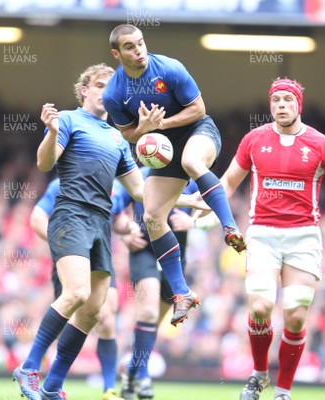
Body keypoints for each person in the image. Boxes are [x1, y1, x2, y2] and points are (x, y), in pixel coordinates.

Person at [12, 63, 205, 400]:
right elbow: (45, 164)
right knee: (75, 293)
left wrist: (186, 197)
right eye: (99, 85)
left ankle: (53, 385)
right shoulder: (69, 120)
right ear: (84, 90)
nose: (105, 91)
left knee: (92, 311)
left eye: (110, 87)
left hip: (100, 223)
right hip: (72, 214)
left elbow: (138, 190)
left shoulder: (117, 136)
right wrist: (52, 132)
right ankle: (29, 366)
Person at [217, 78, 325, 400]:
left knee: (295, 317)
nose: (281, 105)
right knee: (260, 305)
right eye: (276, 100)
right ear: (270, 105)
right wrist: (205, 211)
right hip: (262, 234)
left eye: (287, 99)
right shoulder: (254, 140)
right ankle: (259, 375)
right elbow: (227, 182)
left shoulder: (320, 143)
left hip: (303, 237)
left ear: (299, 105)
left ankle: (283, 390)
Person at [102, 24, 246, 326]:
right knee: (152, 216)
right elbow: (127, 134)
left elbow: (198, 109)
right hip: (163, 151)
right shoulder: (114, 93)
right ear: (117, 53)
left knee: (194, 162)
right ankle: (182, 293)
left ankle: (229, 226)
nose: (139, 50)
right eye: (130, 47)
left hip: (198, 133)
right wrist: (144, 130)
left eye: (141, 43)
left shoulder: (168, 69)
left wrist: (161, 126)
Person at [112, 166, 219, 400]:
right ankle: (142, 376)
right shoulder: (136, 176)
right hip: (144, 252)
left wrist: (195, 223)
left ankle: (133, 371)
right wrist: (124, 231)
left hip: (176, 259)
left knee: (154, 322)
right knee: (148, 313)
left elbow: (219, 207)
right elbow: (113, 208)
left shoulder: (191, 177)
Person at [30, 177, 130, 400]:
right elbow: (37, 217)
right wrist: (64, 242)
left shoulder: (118, 188)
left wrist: (129, 229)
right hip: (70, 258)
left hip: (100, 258)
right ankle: (50, 382)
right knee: (72, 316)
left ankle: (108, 390)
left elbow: (118, 218)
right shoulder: (63, 184)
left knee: (105, 318)